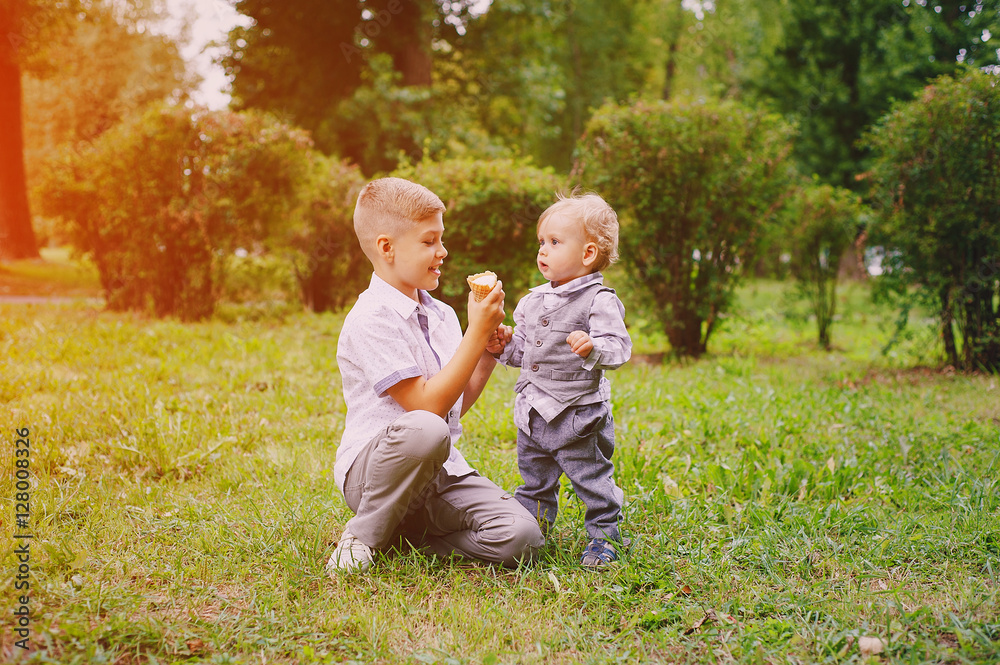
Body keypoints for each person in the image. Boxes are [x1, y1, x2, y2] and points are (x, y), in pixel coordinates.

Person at [327, 177, 544, 575]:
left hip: (442, 473)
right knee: (426, 429)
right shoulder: (370, 318)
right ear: (386, 248)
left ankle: (410, 541)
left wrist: (486, 354)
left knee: (522, 538)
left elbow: (452, 405)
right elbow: (427, 409)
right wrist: (475, 332)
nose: (442, 252)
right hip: (376, 477)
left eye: (441, 240)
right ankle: (364, 533)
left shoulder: (443, 315)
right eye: (429, 242)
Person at [490, 192, 632, 568]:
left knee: (592, 481)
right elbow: (525, 353)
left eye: (554, 242)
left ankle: (605, 537)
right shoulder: (532, 302)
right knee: (534, 480)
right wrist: (503, 345)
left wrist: (592, 347)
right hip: (534, 414)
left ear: (587, 254)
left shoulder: (598, 300)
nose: (543, 251)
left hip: (577, 415)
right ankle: (530, 532)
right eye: (541, 242)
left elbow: (618, 347)